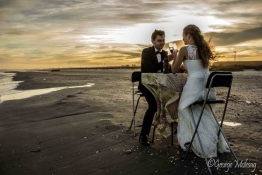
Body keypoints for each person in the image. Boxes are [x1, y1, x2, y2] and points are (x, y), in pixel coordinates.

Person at [171, 24, 230, 158]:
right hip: (208, 86)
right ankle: (210, 140)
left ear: (189, 35)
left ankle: (192, 141)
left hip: (195, 86)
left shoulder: (184, 49)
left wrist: (175, 57)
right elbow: (199, 68)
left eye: (184, 36)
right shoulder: (204, 49)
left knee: (183, 108)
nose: (183, 39)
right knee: (204, 111)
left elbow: (173, 70)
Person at [138, 29, 171, 146]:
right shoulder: (146, 52)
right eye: (159, 40)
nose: (162, 43)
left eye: (163, 40)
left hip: (160, 85)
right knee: (153, 106)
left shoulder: (165, 53)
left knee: (173, 100)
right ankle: (143, 135)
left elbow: (167, 71)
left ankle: (170, 130)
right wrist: (165, 61)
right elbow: (149, 70)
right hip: (147, 85)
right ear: (152, 41)